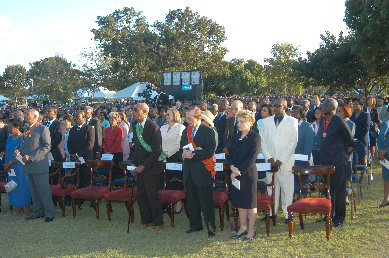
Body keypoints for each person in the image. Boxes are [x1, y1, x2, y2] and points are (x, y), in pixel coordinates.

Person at [179, 106, 217, 237]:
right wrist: (183, 155)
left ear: (198, 117)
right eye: (186, 118)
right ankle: (195, 225)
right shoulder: (186, 132)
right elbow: (181, 149)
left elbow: (208, 152)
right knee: (192, 202)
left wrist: (193, 154)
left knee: (206, 202)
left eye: (190, 118)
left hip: (203, 172)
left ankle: (211, 228)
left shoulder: (208, 132)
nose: (187, 121)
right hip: (189, 172)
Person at [260, 98, 298, 224]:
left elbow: (293, 142)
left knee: (287, 188)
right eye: (274, 105)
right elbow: (263, 141)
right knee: (271, 188)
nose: (275, 107)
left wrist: (281, 160)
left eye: (278, 105)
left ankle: (288, 214)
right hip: (270, 162)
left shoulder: (292, 121)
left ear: (285, 107)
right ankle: (272, 212)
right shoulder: (266, 121)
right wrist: (269, 157)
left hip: (285, 162)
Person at [319, 98, 354, 228]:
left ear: (333, 108)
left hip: (338, 161)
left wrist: (344, 154)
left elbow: (350, 139)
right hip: (325, 161)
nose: (324, 106)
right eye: (323, 104)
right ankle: (328, 213)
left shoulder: (338, 120)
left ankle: (339, 217)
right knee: (328, 189)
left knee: (339, 191)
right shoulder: (323, 120)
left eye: (327, 104)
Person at [16, 109, 55, 222]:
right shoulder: (26, 129)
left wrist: (31, 156)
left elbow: (47, 147)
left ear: (35, 117)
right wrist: (20, 153)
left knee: (43, 190)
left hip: (38, 164)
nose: (26, 117)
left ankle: (49, 213)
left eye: (28, 116)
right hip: (29, 165)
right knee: (34, 191)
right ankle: (38, 211)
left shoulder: (42, 129)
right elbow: (26, 145)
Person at [228, 110, 261, 241]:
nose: (238, 124)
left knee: (250, 203)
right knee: (240, 202)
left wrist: (237, 171)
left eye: (242, 121)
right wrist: (231, 167)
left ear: (250, 122)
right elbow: (229, 155)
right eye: (238, 121)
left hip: (248, 174)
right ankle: (243, 227)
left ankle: (251, 230)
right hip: (235, 173)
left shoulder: (255, 137)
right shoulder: (235, 137)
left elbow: (251, 158)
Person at [131, 103, 164, 232]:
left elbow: (156, 151)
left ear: (145, 112)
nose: (133, 112)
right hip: (140, 166)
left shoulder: (153, 127)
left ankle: (158, 222)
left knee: (152, 195)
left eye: (136, 110)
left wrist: (143, 166)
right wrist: (134, 164)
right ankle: (146, 220)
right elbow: (137, 148)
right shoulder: (135, 126)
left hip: (152, 167)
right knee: (142, 195)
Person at [3, 119, 31, 215]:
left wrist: (9, 163)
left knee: (23, 186)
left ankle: (27, 208)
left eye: (11, 127)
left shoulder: (23, 137)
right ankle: (18, 207)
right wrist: (6, 164)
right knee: (13, 186)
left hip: (20, 166)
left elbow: (21, 155)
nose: (9, 129)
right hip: (10, 167)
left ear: (17, 127)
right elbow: (6, 151)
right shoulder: (10, 137)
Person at [160, 108, 186, 213]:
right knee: (166, 180)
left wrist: (166, 153)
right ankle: (167, 202)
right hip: (163, 157)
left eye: (169, 114)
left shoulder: (180, 127)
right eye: (166, 114)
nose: (167, 116)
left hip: (175, 157)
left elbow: (178, 144)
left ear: (175, 115)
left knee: (177, 180)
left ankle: (179, 202)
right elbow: (159, 141)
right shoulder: (163, 127)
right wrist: (162, 154)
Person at [67, 110, 95, 188]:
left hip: (85, 157)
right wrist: (72, 154)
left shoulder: (89, 129)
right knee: (76, 175)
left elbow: (89, 145)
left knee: (85, 175)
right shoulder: (72, 129)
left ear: (83, 117)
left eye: (77, 117)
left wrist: (77, 154)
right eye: (75, 116)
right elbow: (69, 143)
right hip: (74, 158)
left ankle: (85, 192)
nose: (75, 118)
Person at [103, 112, 124, 180]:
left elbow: (117, 143)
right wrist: (106, 151)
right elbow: (105, 141)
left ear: (117, 120)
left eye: (113, 119)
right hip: (108, 153)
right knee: (108, 170)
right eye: (110, 119)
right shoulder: (107, 130)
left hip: (117, 152)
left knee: (116, 171)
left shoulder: (119, 129)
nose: (111, 121)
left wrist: (110, 152)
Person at [377, 120, 389, 208]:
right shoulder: (384, 124)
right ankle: (386, 199)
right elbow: (379, 138)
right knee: (386, 177)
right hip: (384, 156)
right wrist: (380, 151)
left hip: (386, 152)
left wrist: (386, 150)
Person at [364, 96, 380, 162]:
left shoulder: (375, 110)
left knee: (372, 145)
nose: (369, 102)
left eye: (371, 100)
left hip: (372, 130)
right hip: (365, 129)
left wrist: (374, 123)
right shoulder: (364, 109)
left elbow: (378, 121)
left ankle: (372, 159)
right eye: (368, 100)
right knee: (366, 144)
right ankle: (366, 158)